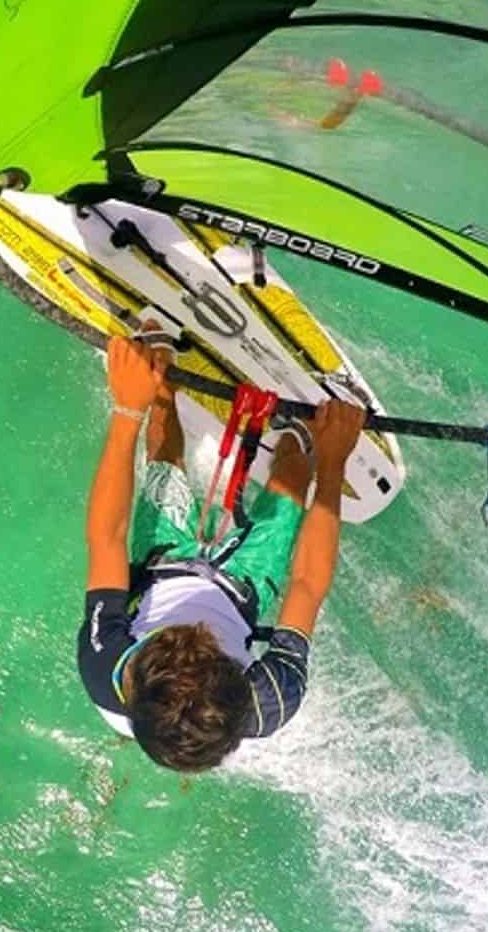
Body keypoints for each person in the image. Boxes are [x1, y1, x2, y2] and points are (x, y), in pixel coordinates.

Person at [77, 329, 367, 772]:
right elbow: (306, 586)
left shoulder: (106, 664)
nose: (197, 625)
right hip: (241, 591)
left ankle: (157, 381)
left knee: (164, 458)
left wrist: (126, 407)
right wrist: (333, 464)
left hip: (163, 567)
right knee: (292, 480)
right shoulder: (269, 698)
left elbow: (107, 538)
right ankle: (300, 433)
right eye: (208, 645)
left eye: (177, 637)